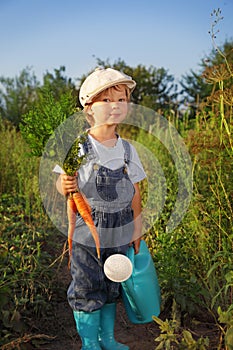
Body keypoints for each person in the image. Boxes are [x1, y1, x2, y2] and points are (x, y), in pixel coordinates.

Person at [56, 67, 146, 350]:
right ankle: (90, 344)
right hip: (86, 229)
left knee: (111, 285)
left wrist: (137, 228)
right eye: (106, 100)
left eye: (121, 99)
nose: (115, 106)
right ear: (89, 109)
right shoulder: (80, 146)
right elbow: (63, 184)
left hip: (119, 230)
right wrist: (65, 184)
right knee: (86, 285)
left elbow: (135, 192)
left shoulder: (128, 150)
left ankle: (108, 339)